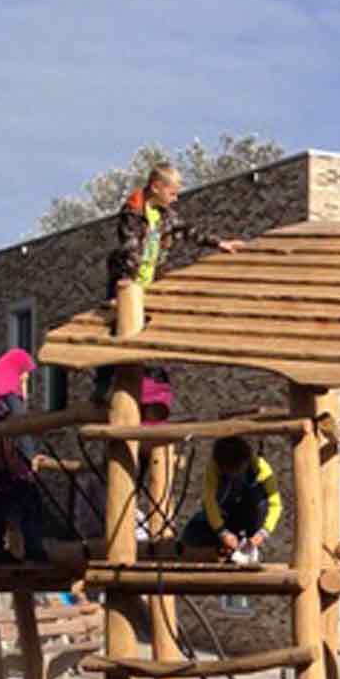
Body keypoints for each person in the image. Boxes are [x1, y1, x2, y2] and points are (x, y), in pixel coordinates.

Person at [93, 162, 245, 400]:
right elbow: (130, 249)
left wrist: (219, 243)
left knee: (145, 330)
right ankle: (102, 384)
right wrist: (127, 287)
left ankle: (145, 378)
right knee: (115, 328)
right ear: (156, 187)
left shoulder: (165, 215)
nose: (175, 199)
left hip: (150, 280)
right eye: (172, 193)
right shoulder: (132, 212)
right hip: (126, 280)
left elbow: (189, 231)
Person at [0, 348, 49, 563]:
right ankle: (35, 551)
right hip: (10, 460)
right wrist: (30, 455)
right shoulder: (9, 391)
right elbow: (20, 425)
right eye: (24, 376)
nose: (25, 381)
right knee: (30, 500)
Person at [181, 436, 282, 562]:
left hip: (250, 516)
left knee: (258, 500)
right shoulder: (214, 467)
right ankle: (225, 550)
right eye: (229, 472)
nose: (234, 475)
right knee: (191, 533)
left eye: (238, 470)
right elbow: (209, 501)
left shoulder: (261, 468)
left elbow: (275, 505)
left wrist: (263, 533)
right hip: (224, 515)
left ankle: (248, 548)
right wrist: (222, 532)